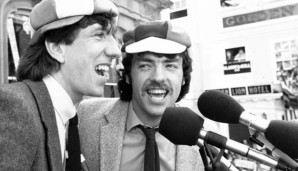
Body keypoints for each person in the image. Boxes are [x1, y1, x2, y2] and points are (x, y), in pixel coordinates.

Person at [0, 0, 121, 170]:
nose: (116, 50)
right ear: (56, 48)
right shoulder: (17, 107)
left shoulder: (69, 117)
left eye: (113, 37)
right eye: (99, 35)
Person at [78, 20, 204, 171]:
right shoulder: (84, 118)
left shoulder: (204, 138)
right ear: (128, 75)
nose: (158, 77)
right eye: (145, 65)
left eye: (170, 66)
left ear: (183, 77)